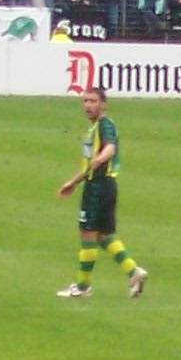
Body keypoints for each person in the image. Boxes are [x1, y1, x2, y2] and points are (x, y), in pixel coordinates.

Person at [55, 85, 147, 300]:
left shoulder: (105, 125)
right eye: (85, 101)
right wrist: (75, 181)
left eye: (93, 101)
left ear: (103, 104)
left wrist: (98, 161)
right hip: (104, 185)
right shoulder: (96, 128)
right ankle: (134, 271)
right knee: (103, 235)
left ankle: (83, 287)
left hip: (98, 186)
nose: (88, 105)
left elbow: (110, 149)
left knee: (88, 234)